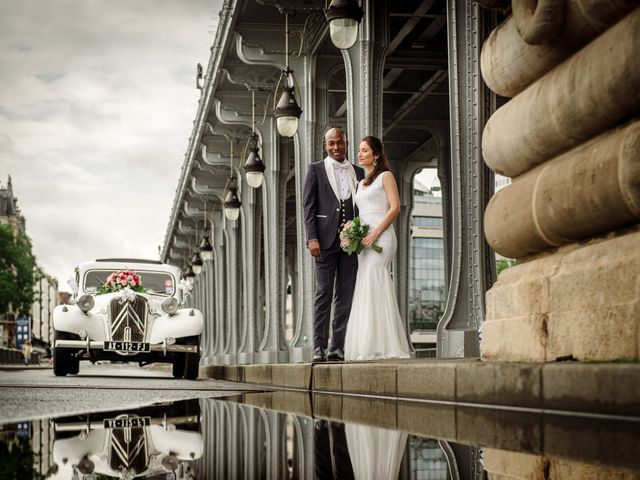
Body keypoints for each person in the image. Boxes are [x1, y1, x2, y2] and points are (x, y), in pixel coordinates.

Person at [344, 136, 411, 361]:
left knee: (377, 281)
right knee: (364, 284)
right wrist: (352, 232)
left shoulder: (386, 176)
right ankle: (368, 344)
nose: (360, 154)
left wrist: (375, 233)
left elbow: (394, 208)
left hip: (381, 238)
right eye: (359, 150)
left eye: (364, 150)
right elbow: (361, 213)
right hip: (364, 241)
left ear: (376, 154)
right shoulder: (360, 184)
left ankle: (385, 344)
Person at [303, 127, 365, 362]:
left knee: (345, 294)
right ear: (324, 145)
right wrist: (312, 238)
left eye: (339, 143)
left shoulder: (358, 172)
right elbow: (308, 207)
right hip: (324, 241)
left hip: (351, 242)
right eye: (331, 143)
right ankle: (318, 347)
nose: (336, 147)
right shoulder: (315, 170)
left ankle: (336, 347)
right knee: (323, 293)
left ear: (346, 143)